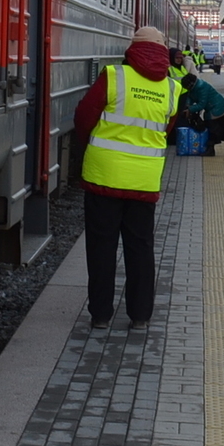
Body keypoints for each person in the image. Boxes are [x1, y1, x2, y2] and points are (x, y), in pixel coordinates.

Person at [73, 27, 179, 332]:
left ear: (131, 50)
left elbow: (84, 116)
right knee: (141, 248)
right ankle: (140, 316)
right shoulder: (172, 89)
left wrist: (91, 146)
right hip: (144, 182)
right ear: (164, 53)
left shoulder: (114, 76)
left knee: (102, 247)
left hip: (103, 177)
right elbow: (166, 130)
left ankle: (101, 315)